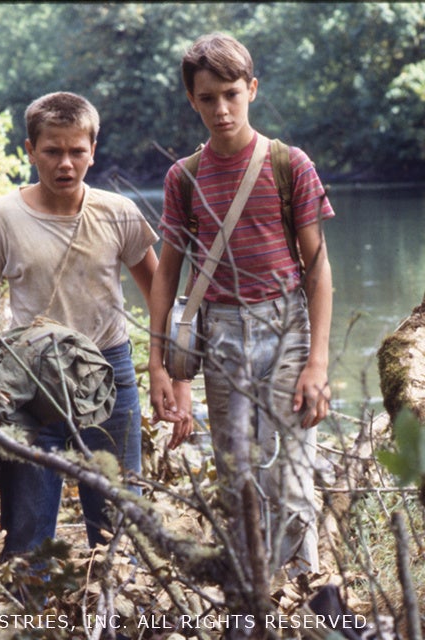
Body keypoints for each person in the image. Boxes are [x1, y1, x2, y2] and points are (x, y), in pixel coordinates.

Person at [0, 91, 170, 559]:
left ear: (93, 151)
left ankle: (114, 612)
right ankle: (31, 614)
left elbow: (157, 292)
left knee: (119, 519)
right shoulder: (3, 217)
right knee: (29, 524)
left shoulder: (118, 213)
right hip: (31, 378)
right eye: (52, 151)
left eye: (77, 151)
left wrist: (163, 369)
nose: (66, 163)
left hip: (108, 372)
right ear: (30, 150)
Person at [148, 33, 335, 579]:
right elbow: (168, 274)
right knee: (239, 478)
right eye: (208, 98)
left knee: (293, 474)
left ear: (252, 89)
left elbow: (319, 271)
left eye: (232, 93)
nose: (221, 109)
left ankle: (303, 594)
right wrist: (159, 363)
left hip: (287, 327)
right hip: (222, 333)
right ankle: (253, 599)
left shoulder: (288, 164)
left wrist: (318, 363)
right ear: (192, 100)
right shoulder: (183, 177)